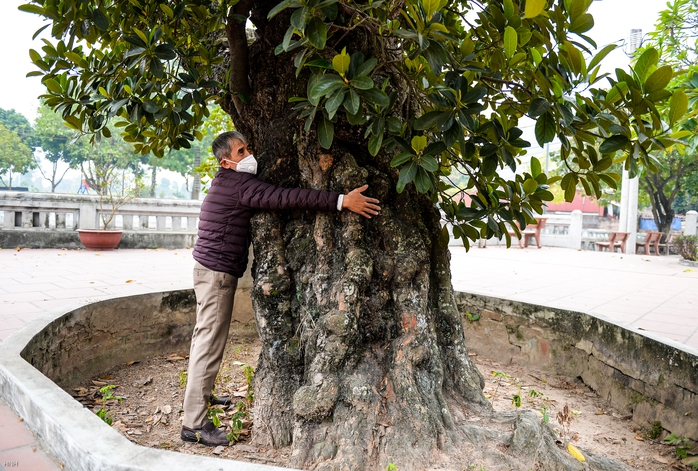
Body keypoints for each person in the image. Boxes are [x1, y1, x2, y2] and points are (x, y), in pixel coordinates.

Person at [181, 131, 381, 446]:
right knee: (208, 346)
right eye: (241, 151)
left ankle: (199, 395)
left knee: (202, 340)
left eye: (248, 147)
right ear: (226, 162)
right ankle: (193, 425)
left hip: (207, 270)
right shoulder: (239, 185)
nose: (248, 154)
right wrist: (342, 201)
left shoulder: (225, 182)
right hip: (216, 275)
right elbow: (286, 197)